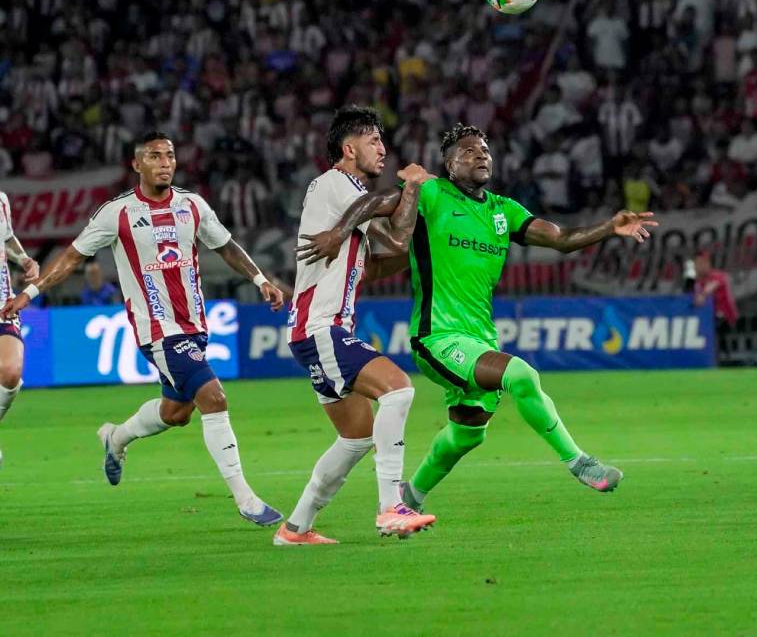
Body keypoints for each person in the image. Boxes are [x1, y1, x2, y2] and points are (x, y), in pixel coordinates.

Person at [296, 123, 658, 512]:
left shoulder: (504, 211)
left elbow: (561, 239)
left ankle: (410, 496)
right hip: (437, 337)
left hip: (480, 339)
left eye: (484, 150)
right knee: (521, 375)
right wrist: (339, 231)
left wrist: (610, 227)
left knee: (468, 434)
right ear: (449, 164)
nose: (480, 155)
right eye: (468, 151)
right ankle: (580, 463)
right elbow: (379, 200)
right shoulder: (433, 193)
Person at [1, 131, 285, 526]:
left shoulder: (192, 206)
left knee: (177, 412)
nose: (165, 162)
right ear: (137, 165)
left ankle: (116, 438)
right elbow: (71, 257)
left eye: (169, 155)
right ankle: (246, 499)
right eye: (154, 156)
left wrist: (261, 280)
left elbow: (227, 246)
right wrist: (30, 291)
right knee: (213, 398)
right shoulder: (116, 213)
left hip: (194, 325)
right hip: (157, 330)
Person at [275, 106, 436, 545]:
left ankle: (295, 529)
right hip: (321, 326)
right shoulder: (336, 184)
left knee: (356, 437)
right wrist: (411, 187)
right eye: (373, 141)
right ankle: (390, 508)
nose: (382, 148)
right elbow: (387, 214)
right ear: (349, 149)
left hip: (315, 330)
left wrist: (415, 207)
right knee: (399, 389)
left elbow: (394, 246)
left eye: (383, 140)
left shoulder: (350, 209)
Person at [0, 192, 40, 467]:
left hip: (2, 303)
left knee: (11, 371)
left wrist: (24, 260)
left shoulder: (1, 200)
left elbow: (7, 236)